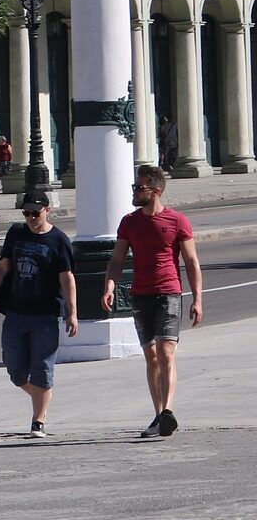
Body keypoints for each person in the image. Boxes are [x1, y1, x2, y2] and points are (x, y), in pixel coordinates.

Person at [103, 165, 203, 438]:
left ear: (155, 191)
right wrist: (109, 286)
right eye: (134, 187)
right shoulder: (129, 222)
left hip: (168, 292)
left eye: (139, 188)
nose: (134, 192)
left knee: (166, 353)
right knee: (151, 356)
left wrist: (197, 300)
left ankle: (167, 411)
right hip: (140, 295)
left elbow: (192, 262)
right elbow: (117, 260)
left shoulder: (177, 221)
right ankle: (159, 415)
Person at [0, 190, 78, 437]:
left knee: (42, 368)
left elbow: (67, 279)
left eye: (35, 213)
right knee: (15, 370)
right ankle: (41, 395)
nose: (31, 218)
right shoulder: (16, 234)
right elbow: (3, 268)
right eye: (26, 213)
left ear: (47, 210)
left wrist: (72, 312)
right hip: (16, 313)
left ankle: (39, 419)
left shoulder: (59, 240)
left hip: (45, 316)